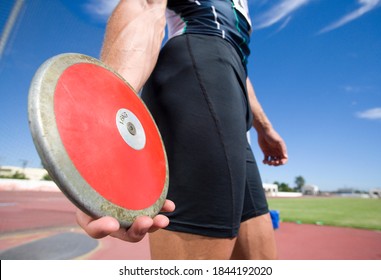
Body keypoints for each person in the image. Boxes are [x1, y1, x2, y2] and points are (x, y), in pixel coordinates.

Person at [76, 0, 288, 259]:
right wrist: (108, 119)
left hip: (230, 86)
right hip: (198, 70)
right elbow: (145, 5)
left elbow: (240, 68)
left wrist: (264, 128)